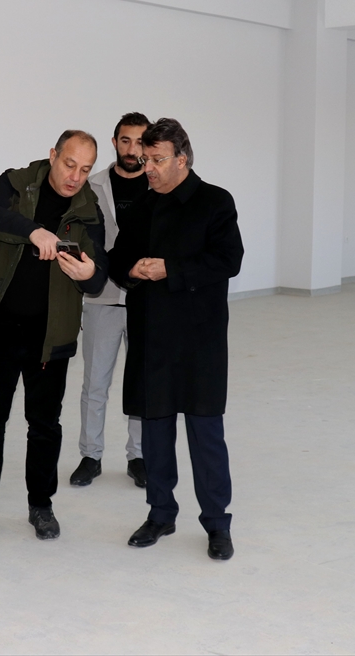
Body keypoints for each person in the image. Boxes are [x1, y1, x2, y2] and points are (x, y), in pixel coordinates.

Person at [0, 130, 108, 540]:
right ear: (53, 155)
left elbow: (99, 275)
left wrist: (89, 273)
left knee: (45, 425)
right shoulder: (15, 183)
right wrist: (33, 231)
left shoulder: (89, 208)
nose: (76, 177)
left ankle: (41, 505)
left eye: (86, 169)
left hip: (50, 336)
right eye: (69, 164)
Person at [108, 118, 244, 561]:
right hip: (151, 336)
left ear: (182, 159)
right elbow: (118, 259)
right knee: (156, 433)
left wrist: (170, 269)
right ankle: (160, 513)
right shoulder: (142, 205)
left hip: (200, 339)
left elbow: (229, 259)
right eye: (144, 159)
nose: (147, 167)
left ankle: (217, 523)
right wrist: (130, 269)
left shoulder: (215, 201)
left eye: (157, 159)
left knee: (206, 435)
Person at [70, 112, 151, 489]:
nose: (132, 149)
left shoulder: (158, 185)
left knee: (143, 382)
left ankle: (140, 456)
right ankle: (91, 455)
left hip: (147, 300)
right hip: (102, 296)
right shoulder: (93, 185)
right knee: (95, 383)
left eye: (140, 141)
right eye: (125, 140)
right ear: (115, 142)